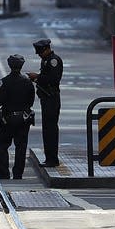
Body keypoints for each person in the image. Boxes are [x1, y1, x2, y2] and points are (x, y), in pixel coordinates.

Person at [0, 54, 35, 180]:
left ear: (9, 65)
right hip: (23, 119)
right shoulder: (27, 82)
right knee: (21, 146)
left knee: (2, 145)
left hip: (7, 119)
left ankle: (4, 172)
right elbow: (31, 101)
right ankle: (18, 174)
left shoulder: (4, 82)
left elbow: (0, 99)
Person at [28, 39, 63, 167]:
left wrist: (36, 77)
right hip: (46, 98)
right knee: (47, 129)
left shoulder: (53, 61)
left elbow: (53, 79)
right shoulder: (46, 60)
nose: (38, 55)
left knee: (51, 129)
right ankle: (49, 158)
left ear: (46, 49)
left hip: (51, 98)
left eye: (40, 52)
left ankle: (52, 159)